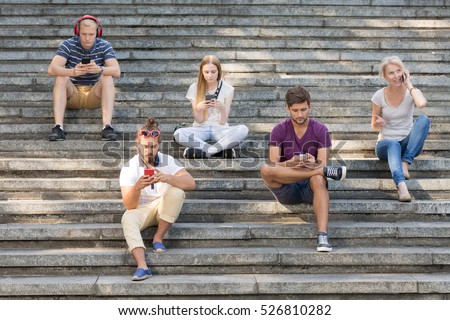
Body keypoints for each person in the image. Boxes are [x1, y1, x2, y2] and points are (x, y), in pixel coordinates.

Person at [260, 86, 347, 252]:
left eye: (303, 109)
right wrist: (291, 163)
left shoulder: (321, 130)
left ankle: (322, 235)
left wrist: (314, 164)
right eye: (295, 110)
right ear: (287, 108)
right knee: (265, 169)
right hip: (287, 187)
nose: (300, 115)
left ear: (310, 106)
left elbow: (323, 163)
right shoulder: (279, 130)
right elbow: (273, 164)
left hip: (310, 188)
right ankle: (318, 173)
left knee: (319, 177)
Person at [120, 117, 196, 281]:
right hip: (142, 210)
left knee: (177, 191)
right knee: (127, 218)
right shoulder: (129, 167)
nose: (149, 150)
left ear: (158, 145)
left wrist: (167, 178)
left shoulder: (168, 161)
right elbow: (129, 205)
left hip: (164, 206)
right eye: (145, 146)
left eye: (153, 146)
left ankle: (158, 238)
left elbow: (190, 183)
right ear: (138, 145)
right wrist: (137, 188)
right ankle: (142, 266)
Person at [47, 15, 121, 141]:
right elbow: (51, 69)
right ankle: (58, 127)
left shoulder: (104, 45)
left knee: (107, 77)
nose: (87, 38)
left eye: (91, 34)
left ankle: (107, 127)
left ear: (97, 33)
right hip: (72, 94)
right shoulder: (68, 44)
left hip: (94, 95)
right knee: (61, 77)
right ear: (77, 32)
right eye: (84, 34)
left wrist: (100, 69)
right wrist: (73, 72)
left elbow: (117, 71)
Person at [371, 56, 430, 202]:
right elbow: (373, 125)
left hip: (408, 145)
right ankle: (401, 187)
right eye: (391, 73)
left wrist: (409, 84)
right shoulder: (379, 96)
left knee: (424, 119)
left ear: (404, 72)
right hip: (386, 145)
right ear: (385, 76)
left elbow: (422, 104)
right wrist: (380, 123)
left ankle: (405, 162)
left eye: (399, 71)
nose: (396, 76)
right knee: (392, 143)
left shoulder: (411, 92)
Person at [173, 55, 249, 159]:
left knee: (243, 129)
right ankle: (219, 151)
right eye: (206, 72)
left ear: (219, 71)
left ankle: (207, 151)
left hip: (220, 129)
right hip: (200, 128)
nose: (210, 75)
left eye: (213, 72)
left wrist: (222, 108)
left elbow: (222, 122)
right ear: (202, 72)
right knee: (178, 133)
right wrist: (198, 109)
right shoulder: (194, 87)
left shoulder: (228, 89)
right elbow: (199, 121)